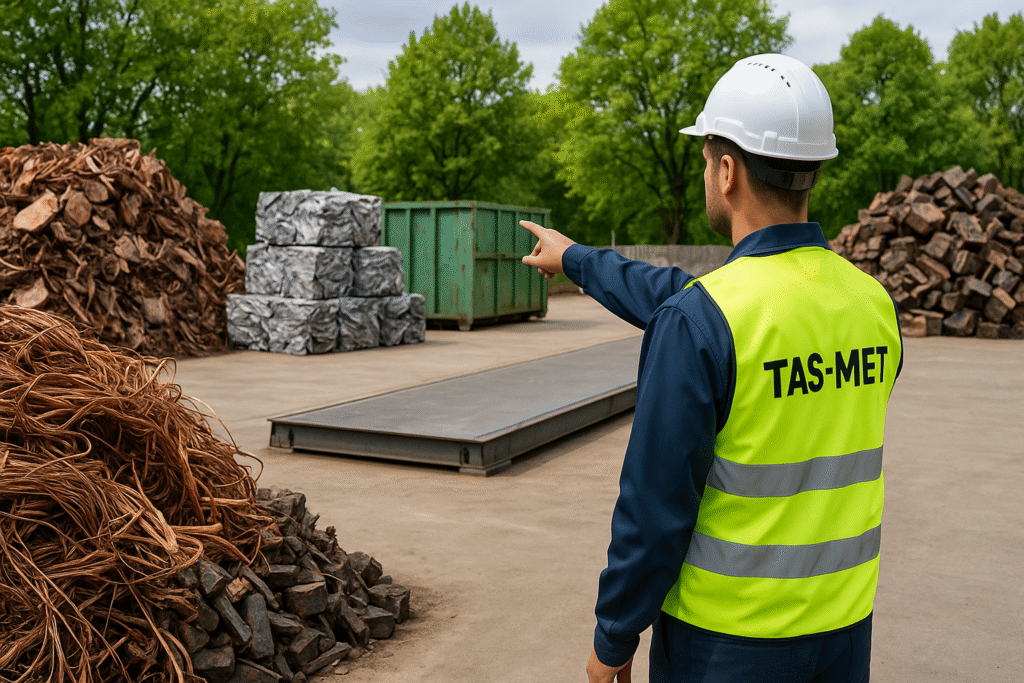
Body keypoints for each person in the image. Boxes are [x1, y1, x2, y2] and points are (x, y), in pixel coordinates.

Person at [520, 53, 904, 683]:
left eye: (706, 159)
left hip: (726, 644)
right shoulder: (871, 306)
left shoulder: (708, 321)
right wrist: (580, 260)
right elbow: (691, 299)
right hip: (843, 632)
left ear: (727, 172)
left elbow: (654, 510)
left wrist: (614, 635)